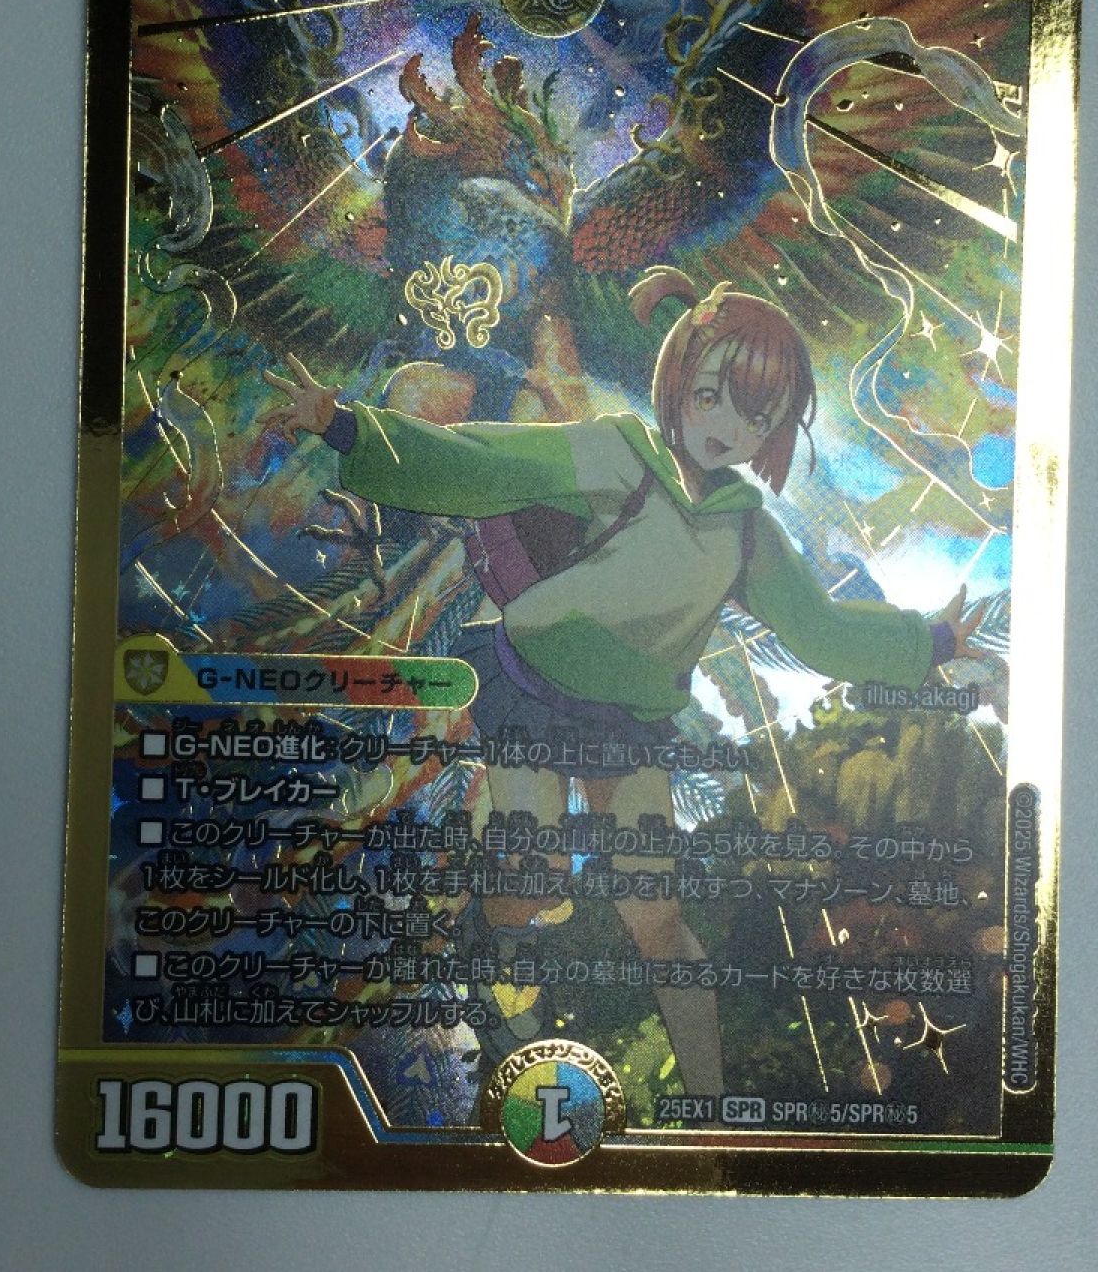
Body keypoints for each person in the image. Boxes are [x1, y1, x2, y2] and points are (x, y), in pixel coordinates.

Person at [263, 267, 983, 1098]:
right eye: (711, 397)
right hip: (534, 685)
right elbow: (483, 464)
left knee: (659, 918)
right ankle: (502, 962)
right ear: (678, 380)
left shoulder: (747, 532)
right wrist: (347, 426)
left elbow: (820, 631)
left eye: (757, 417)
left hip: (629, 722)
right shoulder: (618, 452)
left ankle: (712, 1100)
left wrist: (928, 641)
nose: (726, 428)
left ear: (778, 429)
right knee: (529, 873)